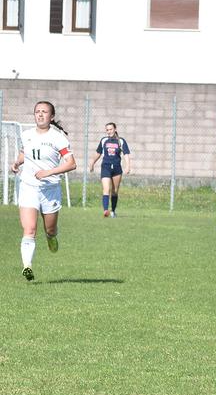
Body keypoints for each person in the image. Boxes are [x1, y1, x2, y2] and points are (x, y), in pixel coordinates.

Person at [11, 101, 77, 281]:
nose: (40, 115)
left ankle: (51, 237)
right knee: (29, 229)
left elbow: (71, 164)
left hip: (50, 189)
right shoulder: (26, 135)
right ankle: (27, 266)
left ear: (51, 117)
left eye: (44, 112)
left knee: (50, 229)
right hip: (28, 187)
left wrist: (49, 172)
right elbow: (26, 153)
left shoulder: (58, 138)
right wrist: (17, 162)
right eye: (37, 112)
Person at [89, 122, 131, 218]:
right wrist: (92, 163)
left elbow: (126, 154)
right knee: (106, 189)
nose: (109, 131)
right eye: (107, 130)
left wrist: (128, 166)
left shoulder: (121, 141)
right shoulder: (104, 140)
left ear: (115, 129)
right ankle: (105, 210)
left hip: (117, 168)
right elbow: (98, 153)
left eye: (110, 129)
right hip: (106, 167)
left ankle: (113, 211)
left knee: (115, 191)